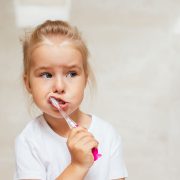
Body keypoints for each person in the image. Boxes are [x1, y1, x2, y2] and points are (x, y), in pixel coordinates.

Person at [14, 20, 128, 180]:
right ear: (28, 84)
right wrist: (78, 166)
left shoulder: (107, 135)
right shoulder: (29, 141)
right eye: (46, 75)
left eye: (71, 74)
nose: (59, 87)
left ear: (85, 79)